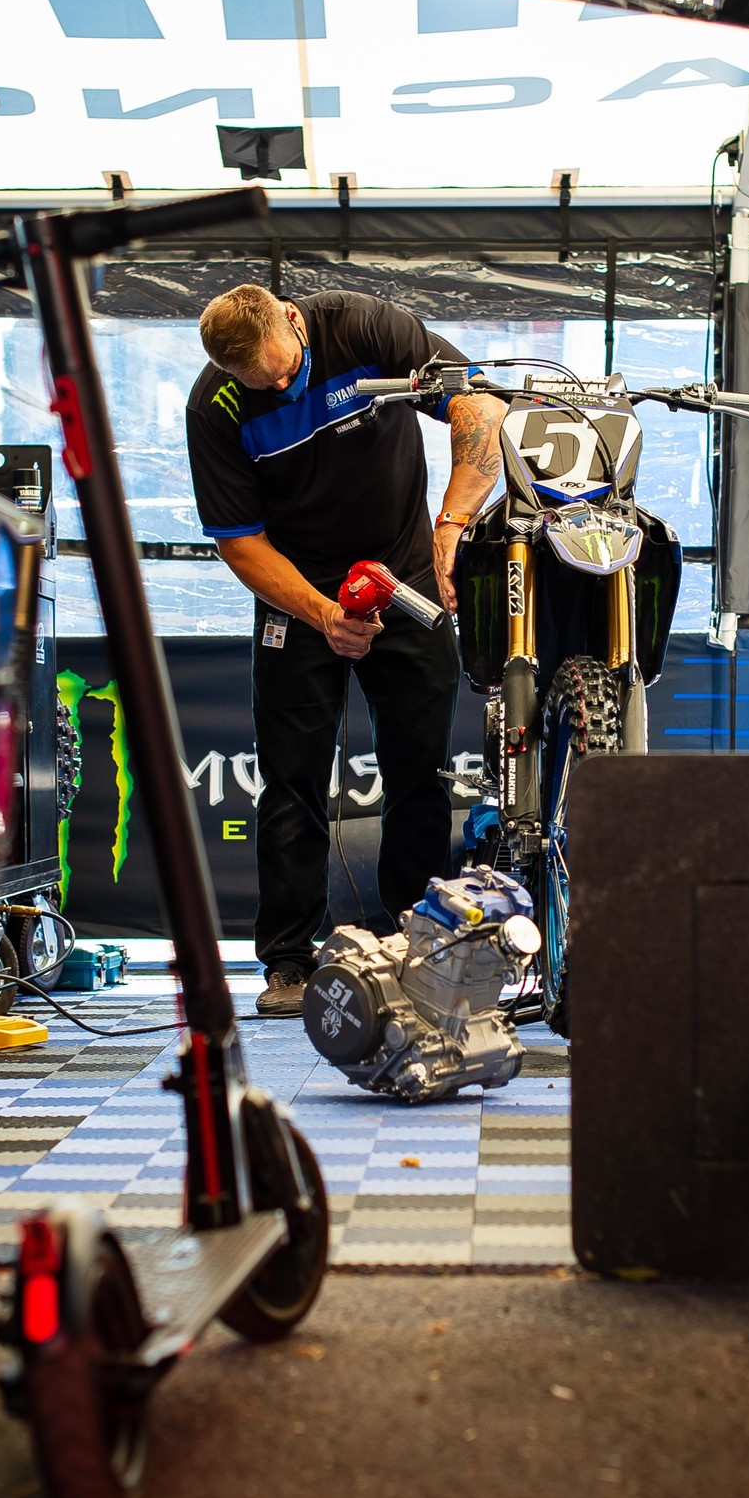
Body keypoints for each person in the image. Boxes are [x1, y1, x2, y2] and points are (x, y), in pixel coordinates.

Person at [186, 286, 505, 1016]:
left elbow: (480, 406)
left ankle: (415, 948)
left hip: (406, 567)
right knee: (292, 781)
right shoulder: (216, 408)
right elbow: (239, 540)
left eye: (284, 372)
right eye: (258, 384)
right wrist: (323, 613)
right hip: (296, 591)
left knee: (418, 773)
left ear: (294, 322)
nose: (276, 388)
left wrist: (452, 524)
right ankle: (288, 963)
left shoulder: (364, 326)